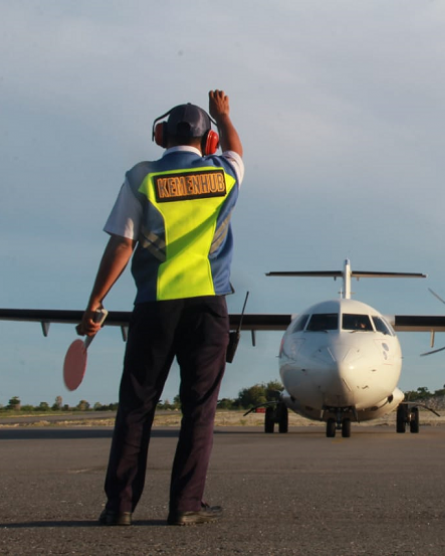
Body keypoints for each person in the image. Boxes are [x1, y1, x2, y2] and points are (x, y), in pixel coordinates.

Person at [78, 90, 244, 526]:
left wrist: (96, 301)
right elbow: (236, 150)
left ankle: (120, 506)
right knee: (199, 408)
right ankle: (186, 505)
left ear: (160, 135)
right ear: (209, 143)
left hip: (153, 306)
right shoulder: (224, 173)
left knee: (136, 406)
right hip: (208, 307)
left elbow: (122, 243)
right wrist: (225, 117)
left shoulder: (140, 178)